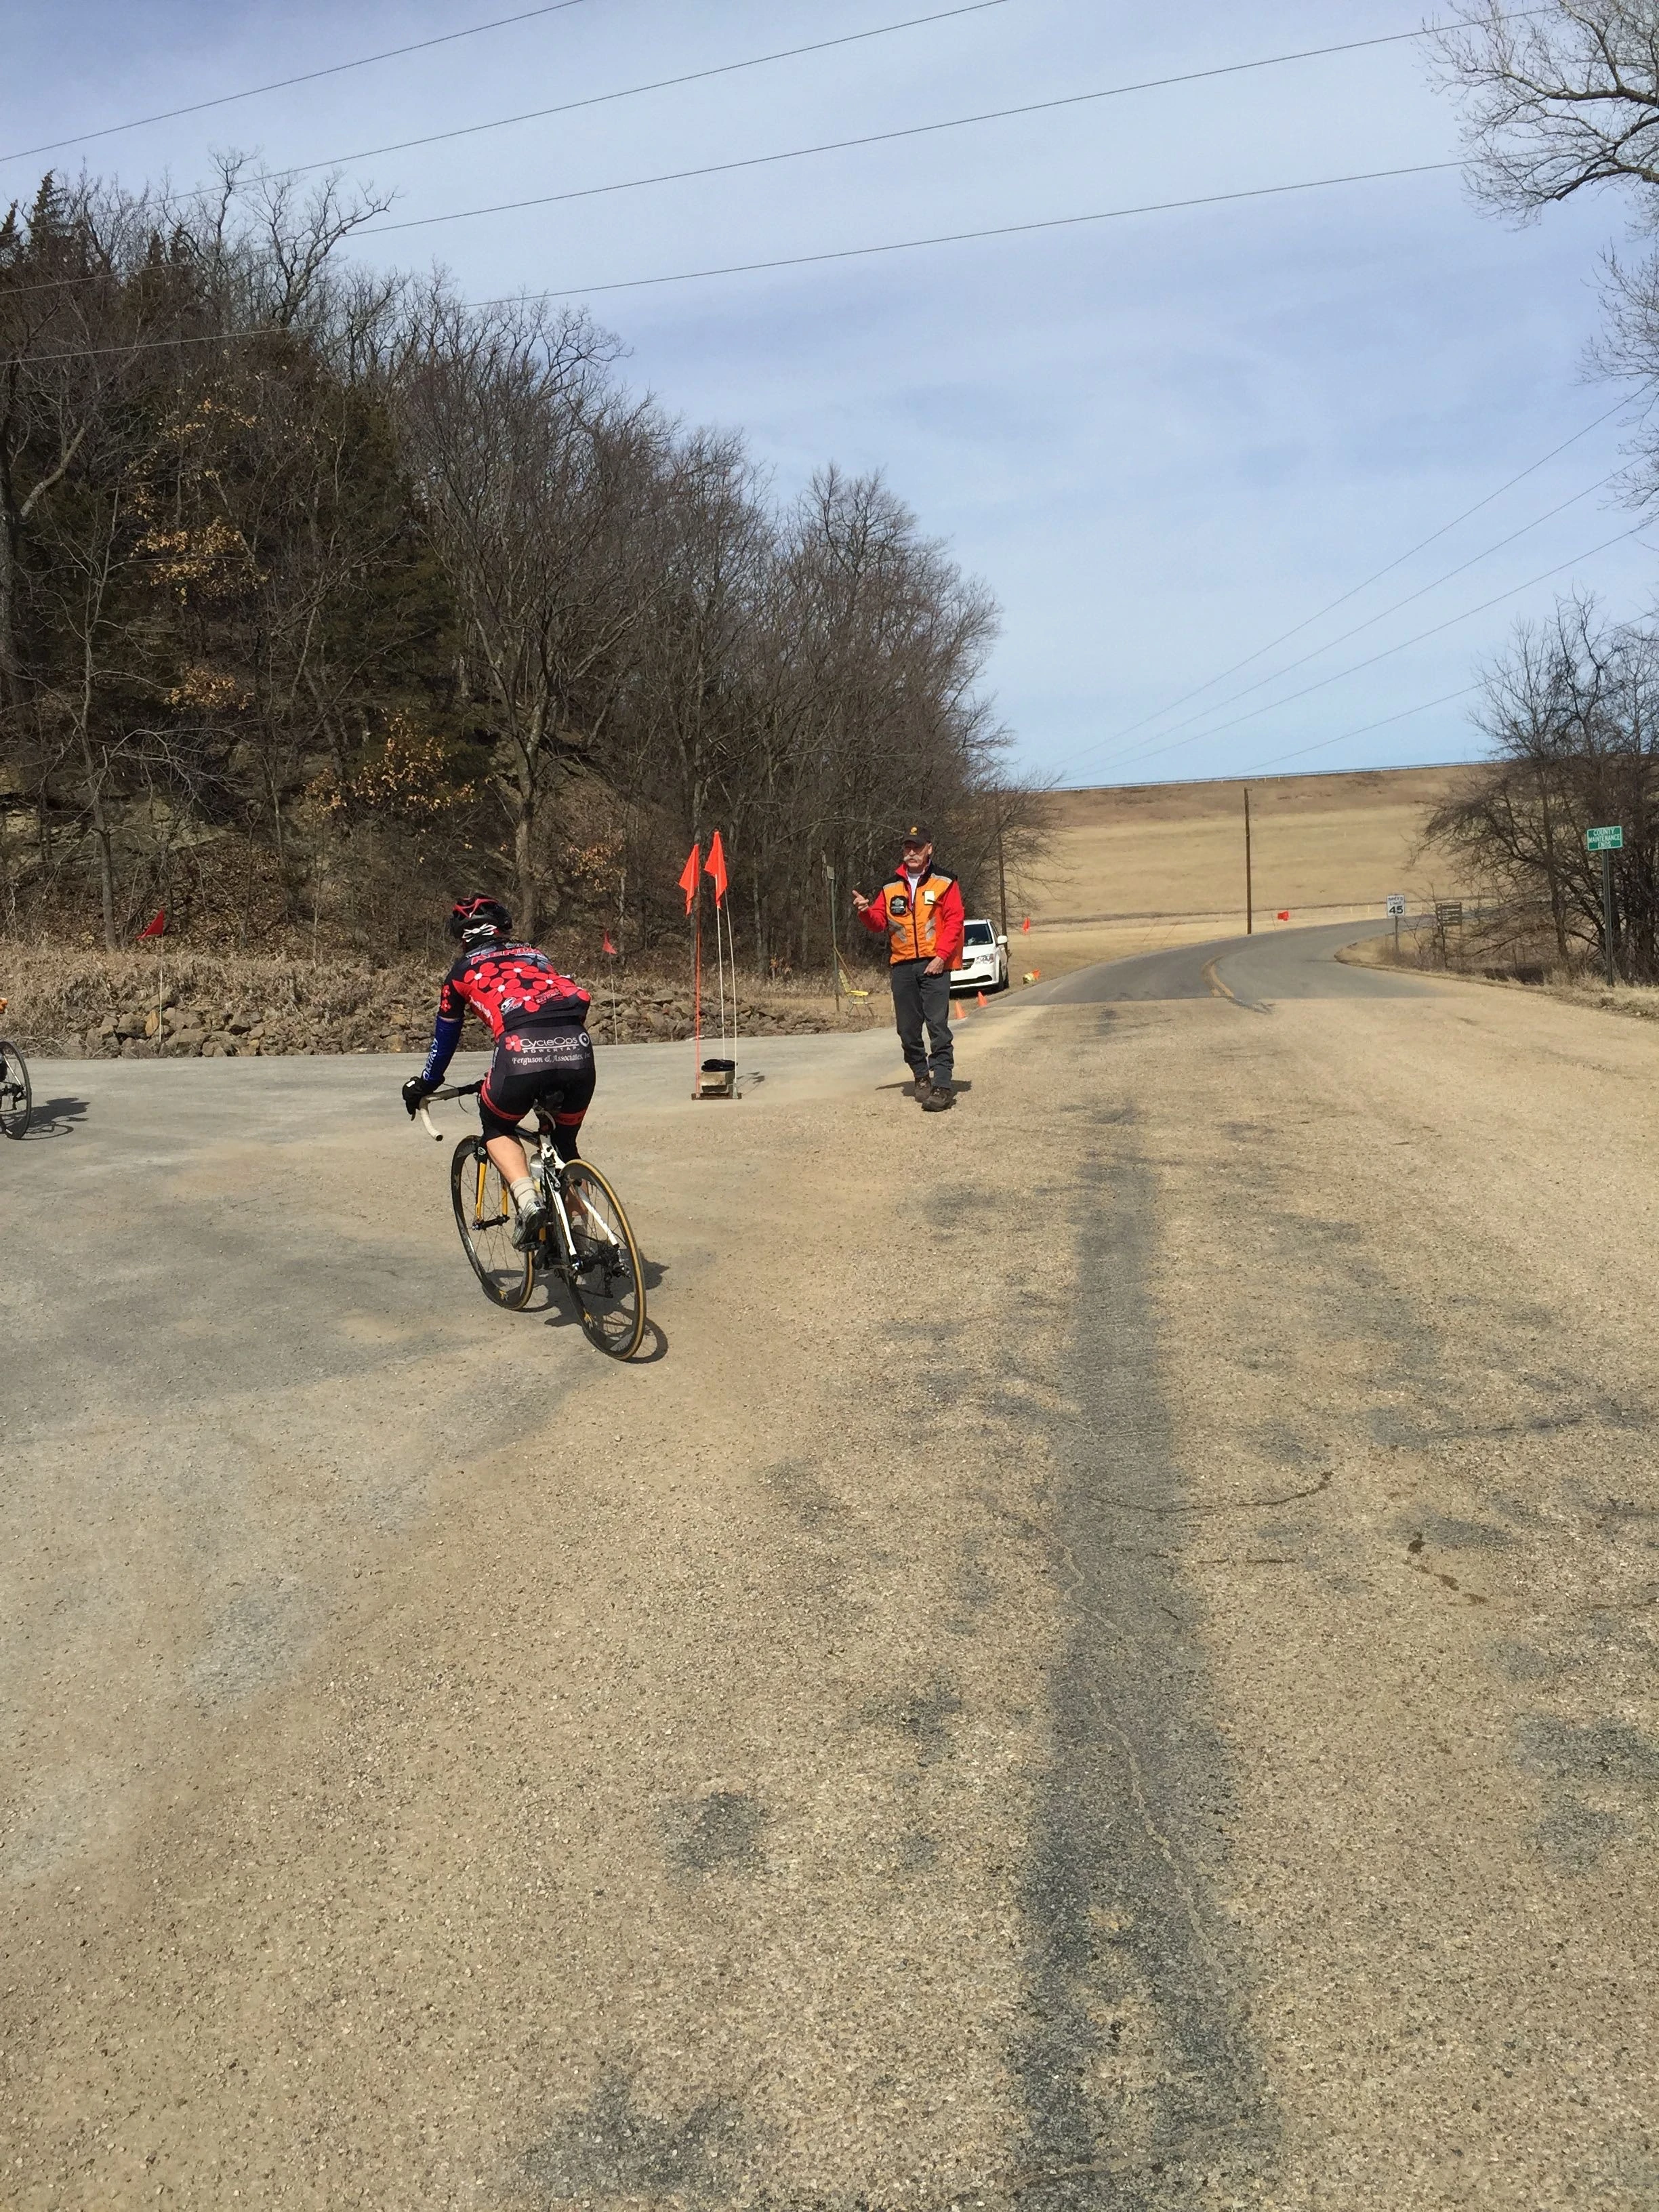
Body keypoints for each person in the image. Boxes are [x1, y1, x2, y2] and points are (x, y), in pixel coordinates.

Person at [401, 896, 594, 1246]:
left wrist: (424, 1084)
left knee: (496, 1125)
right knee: (565, 1145)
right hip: (577, 1050)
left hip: (519, 1053)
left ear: (462, 938)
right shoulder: (536, 956)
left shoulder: (459, 974)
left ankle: (528, 1201)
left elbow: (444, 1041)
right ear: (504, 927)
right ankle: (581, 1237)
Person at [853, 824, 964, 1111]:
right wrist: (866, 911)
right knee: (907, 1030)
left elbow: (954, 922)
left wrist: (941, 956)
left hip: (934, 964)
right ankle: (920, 1075)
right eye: (908, 848)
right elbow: (879, 923)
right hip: (902, 966)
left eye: (917, 847)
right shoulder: (890, 886)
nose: (912, 852)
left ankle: (942, 1084)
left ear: (929, 849)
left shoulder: (946, 882)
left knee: (937, 1026)